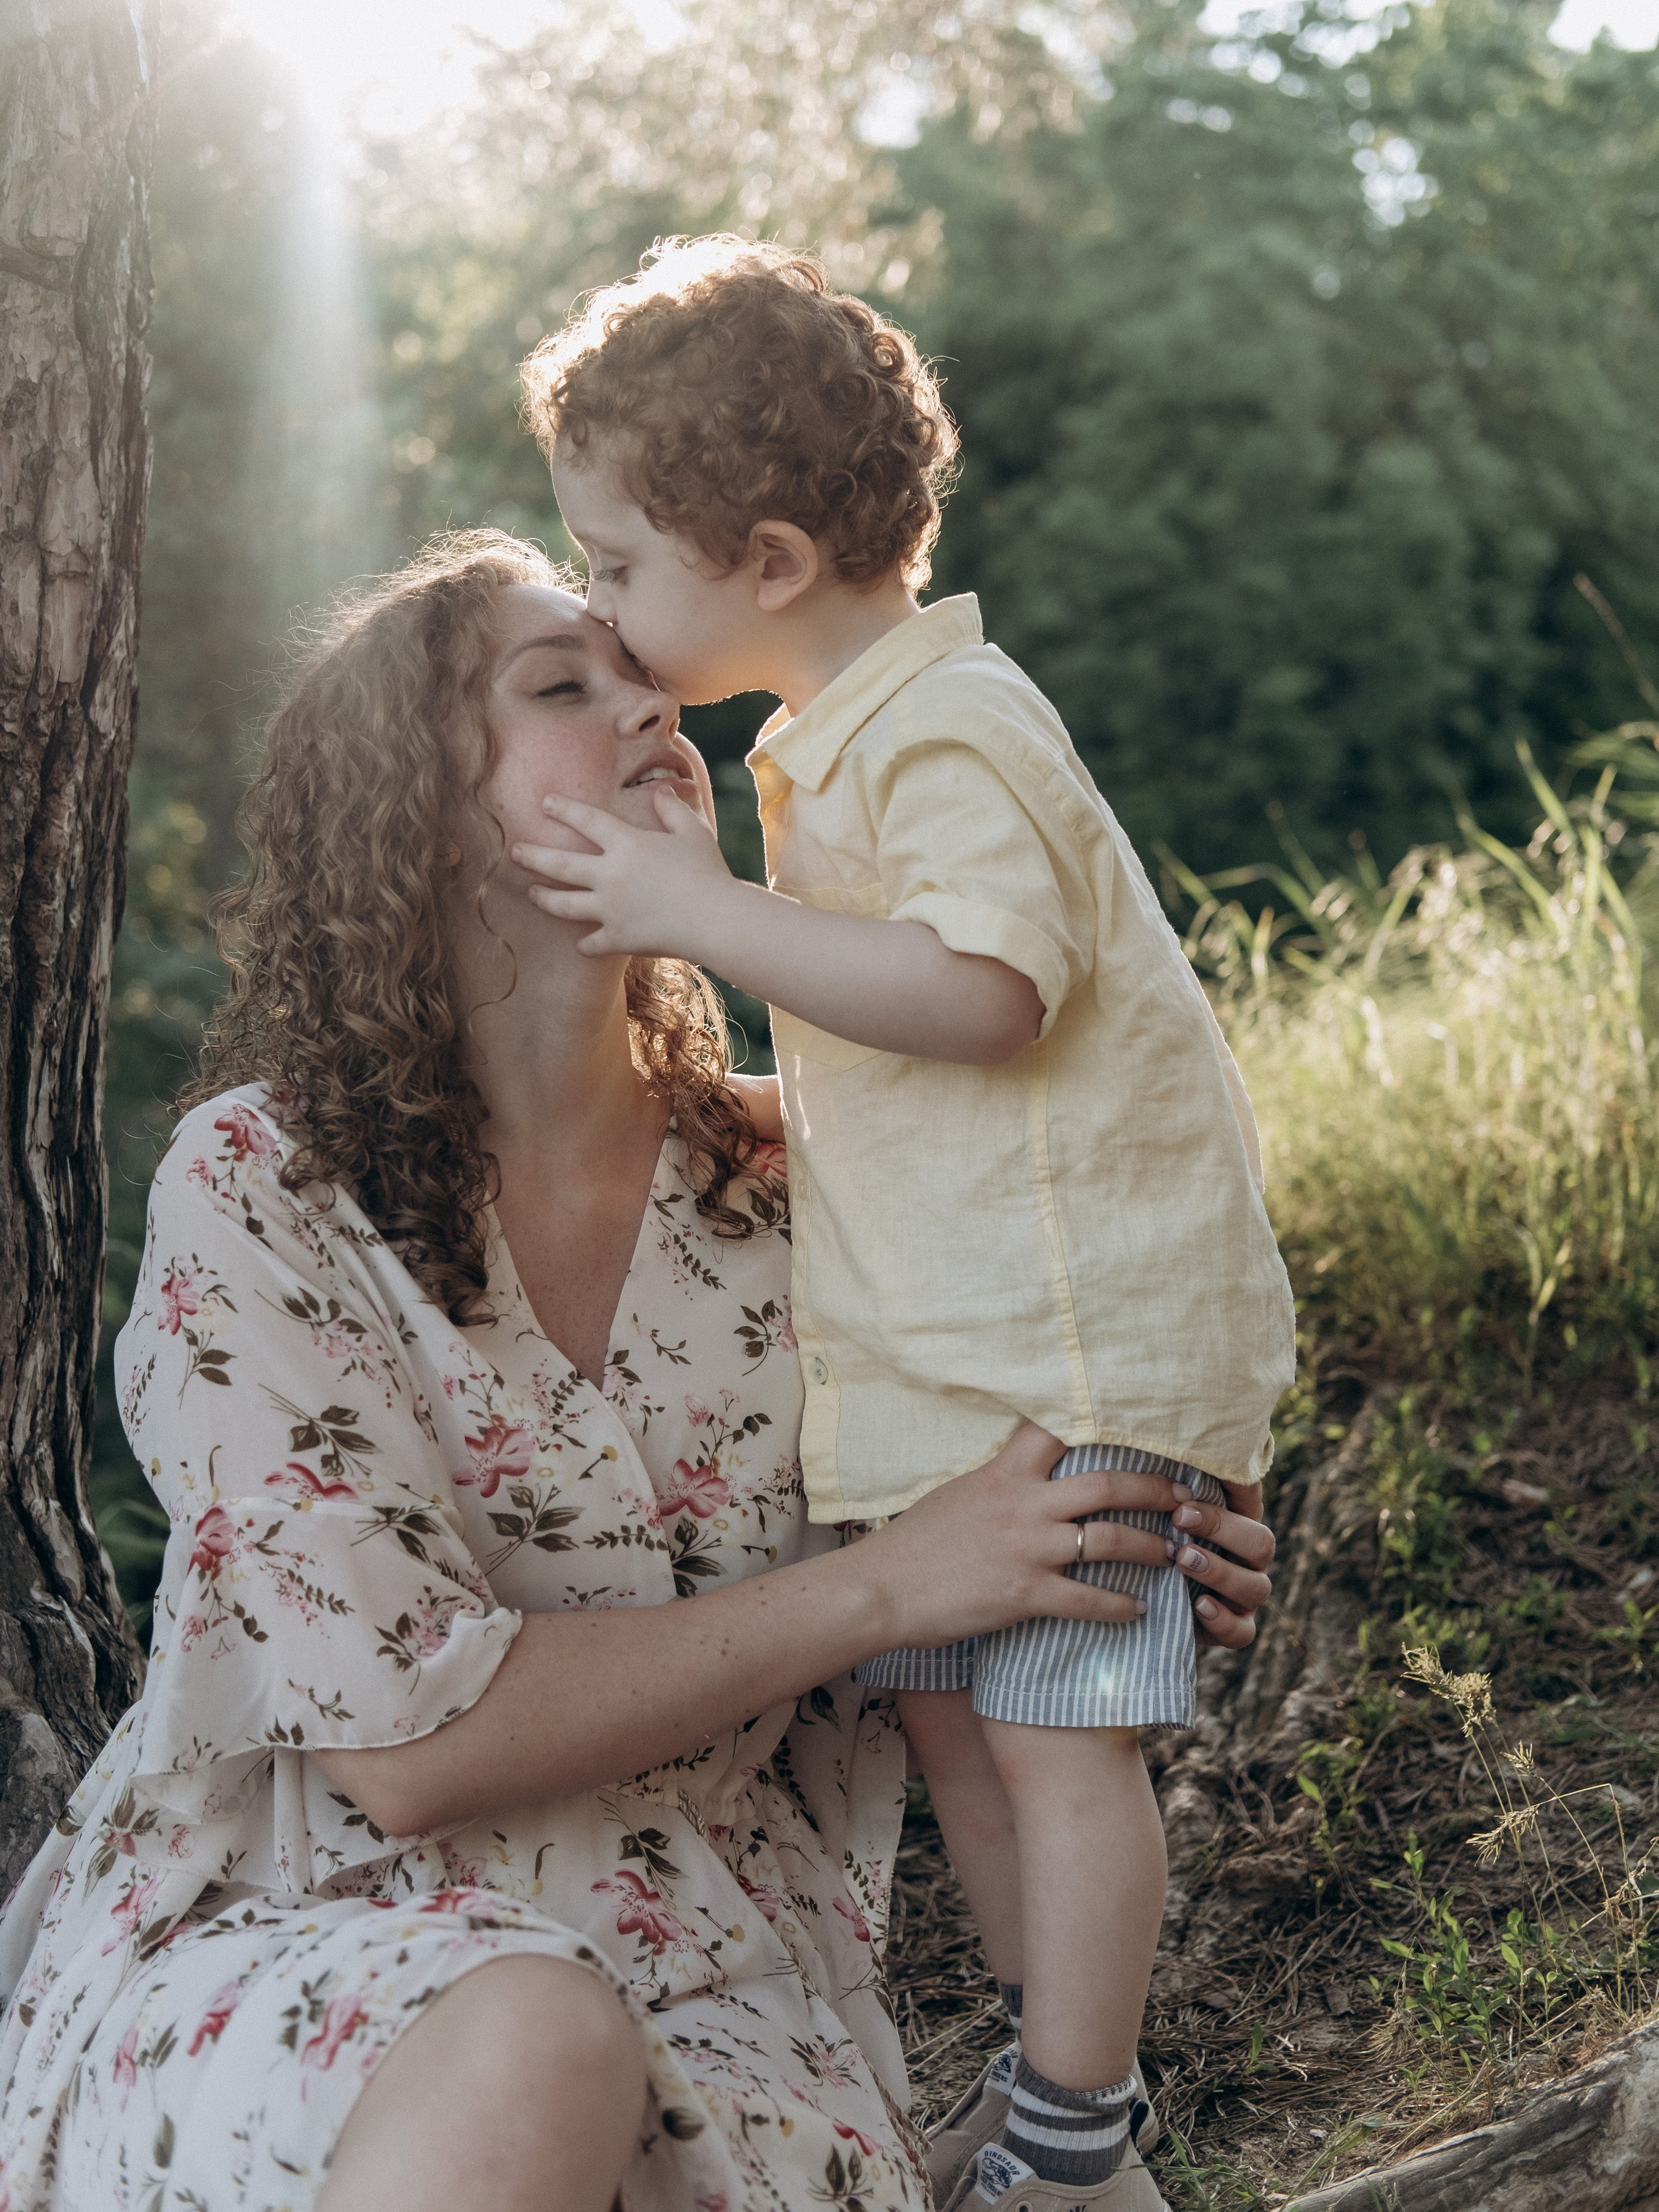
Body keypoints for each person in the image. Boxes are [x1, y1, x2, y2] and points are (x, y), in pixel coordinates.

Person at [0, 531, 1275, 2212]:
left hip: (740, 2006)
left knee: (579, 2039)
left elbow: (1024, 1441)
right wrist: (897, 1582)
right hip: (314, 1945)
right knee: (532, 2039)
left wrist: (1128, 1523)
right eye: (562, 683)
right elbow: (405, 1746)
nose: (651, 706)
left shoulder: (816, 1168)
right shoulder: (262, 1193)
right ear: (418, 811)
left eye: (644, 672)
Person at [516, 240, 1297, 2212]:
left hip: (1063, 1350)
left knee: (1058, 1756)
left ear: (768, 558)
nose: (598, 608)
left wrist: (701, 921)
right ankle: (1058, 2095)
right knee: (964, 1744)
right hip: (955, 1360)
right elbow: (905, 1069)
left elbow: (984, 998)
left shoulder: (951, 731)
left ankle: (1080, 2142)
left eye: (613, 564)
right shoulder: (831, 739)